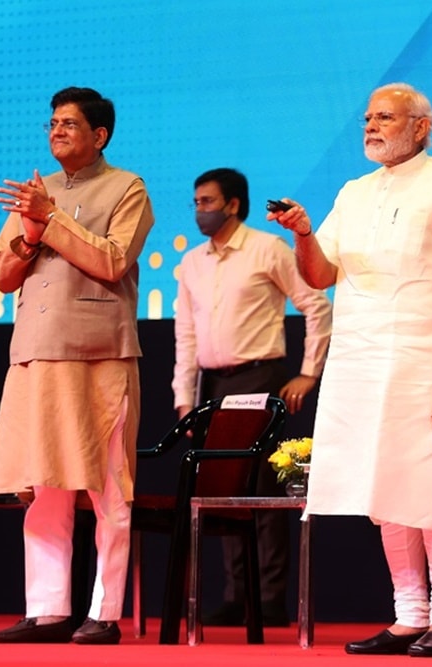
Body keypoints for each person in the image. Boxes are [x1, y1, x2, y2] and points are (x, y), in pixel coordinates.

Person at [269, 82, 432, 658]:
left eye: (385, 118)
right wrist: (303, 234)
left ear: (421, 127)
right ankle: (409, 615)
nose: (371, 127)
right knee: (382, 486)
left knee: (431, 484)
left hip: (428, 361)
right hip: (360, 361)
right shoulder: (354, 192)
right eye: (368, 119)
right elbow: (320, 275)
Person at [0, 87, 155, 645]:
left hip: (98, 354)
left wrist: (50, 219)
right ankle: (48, 610)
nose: (56, 131)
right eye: (52, 123)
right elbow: (1, 274)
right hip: (35, 353)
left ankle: (105, 612)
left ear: (99, 136)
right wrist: (30, 236)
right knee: (44, 485)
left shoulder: (127, 187)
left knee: (109, 489)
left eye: (69, 124)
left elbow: (113, 259)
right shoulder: (38, 191)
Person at [174, 167, 333, 627]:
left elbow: (316, 304)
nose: (199, 210)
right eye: (196, 202)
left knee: (262, 491)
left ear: (233, 205)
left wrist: (308, 373)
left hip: (260, 378)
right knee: (225, 490)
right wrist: (184, 398)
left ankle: (269, 600)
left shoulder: (267, 248)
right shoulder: (192, 262)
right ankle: (236, 596)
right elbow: (186, 334)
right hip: (212, 386)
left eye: (207, 202)